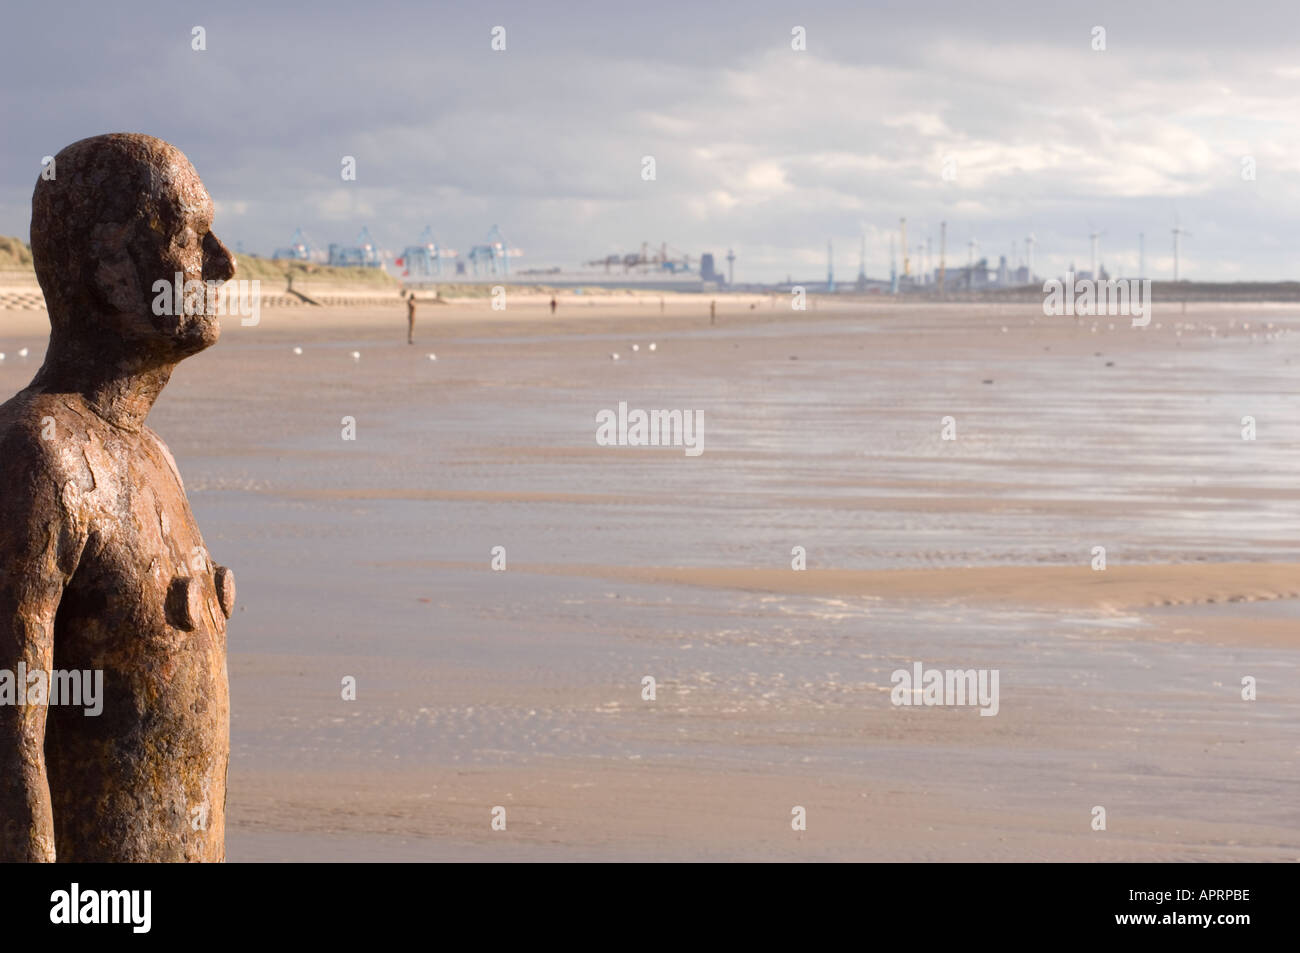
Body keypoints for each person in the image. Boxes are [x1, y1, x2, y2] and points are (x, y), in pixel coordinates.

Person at [0, 133, 235, 862]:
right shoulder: (40, 456)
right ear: (111, 266)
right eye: (194, 237)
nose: (223, 265)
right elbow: (11, 741)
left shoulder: (148, 454)